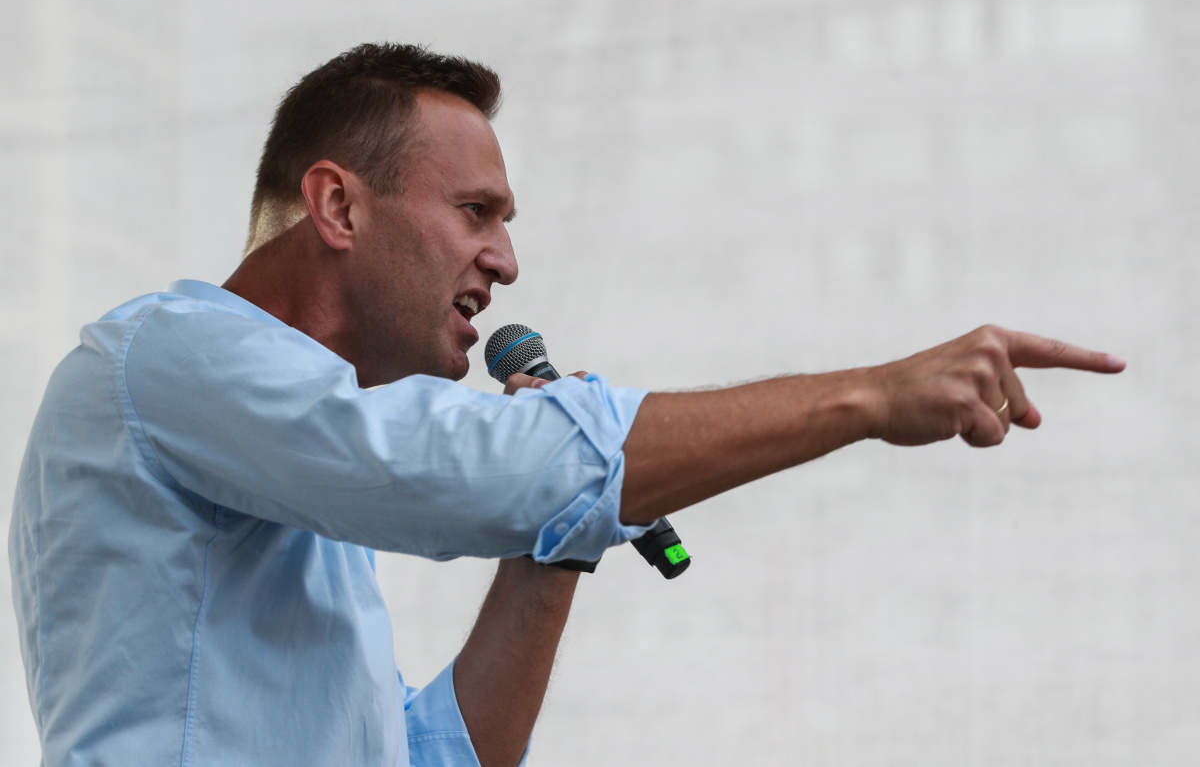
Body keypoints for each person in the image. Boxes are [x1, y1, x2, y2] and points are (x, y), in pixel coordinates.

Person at [8, 43, 1125, 767]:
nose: (506, 261)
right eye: (477, 211)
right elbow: (447, 472)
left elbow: (440, 757)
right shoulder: (168, 359)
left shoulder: (287, 451)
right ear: (338, 207)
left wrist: (558, 544)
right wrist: (869, 396)